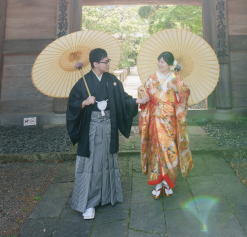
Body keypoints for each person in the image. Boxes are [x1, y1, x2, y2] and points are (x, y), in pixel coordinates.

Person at [66, 48, 148, 219]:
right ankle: (89, 203)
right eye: (105, 61)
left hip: (108, 126)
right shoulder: (83, 82)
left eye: (108, 60)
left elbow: (122, 98)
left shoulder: (111, 80)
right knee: (93, 163)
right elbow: (72, 104)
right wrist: (84, 102)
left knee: (108, 160)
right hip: (92, 128)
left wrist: (136, 101)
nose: (108, 63)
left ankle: (108, 195)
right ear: (95, 64)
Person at [138, 51, 193, 199]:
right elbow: (143, 90)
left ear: (170, 64)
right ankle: (157, 183)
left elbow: (185, 93)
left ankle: (168, 182)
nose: (159, 64)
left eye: (163, 62)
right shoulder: (152, 78)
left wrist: (178, 90)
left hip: (170, 120)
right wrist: (143, 97)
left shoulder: (177, 78)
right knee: (155, 150)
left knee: (171, 150)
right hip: (155, 118)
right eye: (158, 61)